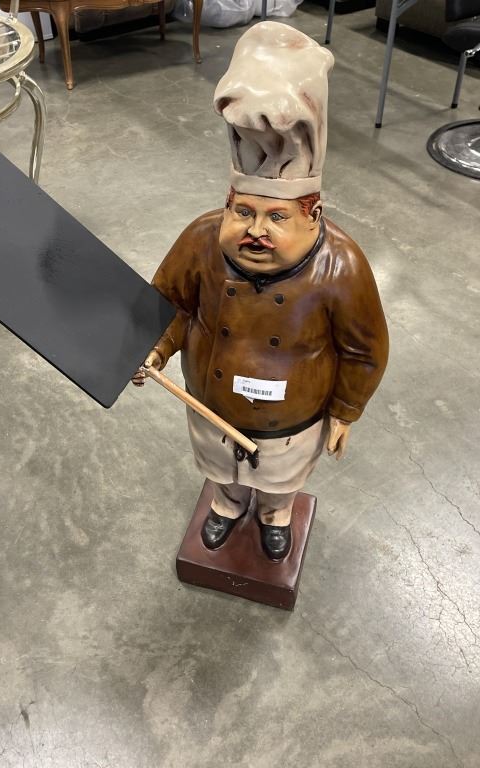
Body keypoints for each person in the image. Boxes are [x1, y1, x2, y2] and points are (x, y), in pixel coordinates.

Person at [133, 22, 389, 561]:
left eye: (276, 217)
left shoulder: (341, 264)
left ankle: (275, 514)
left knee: (279, 480)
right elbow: (169, 305)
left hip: (293, 419)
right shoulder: (202, 240)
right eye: (244, 212)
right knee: (221, 471)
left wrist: (345, 412)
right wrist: (152, 349)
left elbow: (364, 351)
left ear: (311, 214)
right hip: (211, 403)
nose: (256, 230)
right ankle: (226, 505)